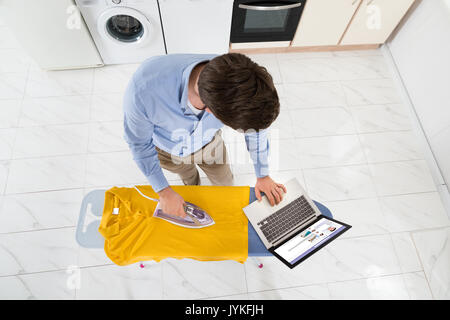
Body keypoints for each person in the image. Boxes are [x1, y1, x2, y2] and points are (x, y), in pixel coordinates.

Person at [123, 53, 286, 217]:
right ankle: (192, 186)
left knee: (225, 183)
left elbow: (255, 130)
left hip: (211, 146)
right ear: (209, 110)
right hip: (167, 152)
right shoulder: (143, 91)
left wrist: (263, 175)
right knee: (189, 180)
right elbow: (140, 145)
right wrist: (164, 192)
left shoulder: (240, 80)